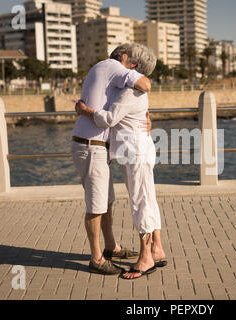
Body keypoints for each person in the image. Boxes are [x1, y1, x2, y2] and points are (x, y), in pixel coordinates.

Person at [75, 44, 166, 280]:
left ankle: (146, 257)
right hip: (137, 150)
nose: (117, 55)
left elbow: (109, 119)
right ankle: (156, 248)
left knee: (140, 202)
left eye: (122, 55)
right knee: (147, 198)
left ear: (133, 67)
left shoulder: (130, 91)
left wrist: (84, 110)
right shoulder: (132, 91)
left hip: (134, 152)